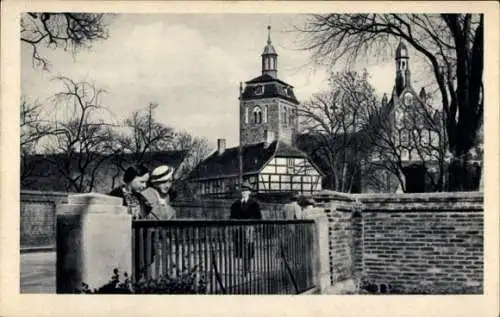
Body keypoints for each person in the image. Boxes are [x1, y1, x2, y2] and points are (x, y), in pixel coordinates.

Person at [230, 180, 262, 275]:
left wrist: (253, 225)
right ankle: (245, 267)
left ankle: (246, 268)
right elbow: (232, 216)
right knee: (241, 249)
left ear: (249, 192)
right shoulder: (235, 204)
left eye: (245, 191)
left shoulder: (254, 204)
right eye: (242, 191)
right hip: (239, 230)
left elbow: (258, 217)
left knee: (247, 248)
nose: (243, 192)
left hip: (249, 229)